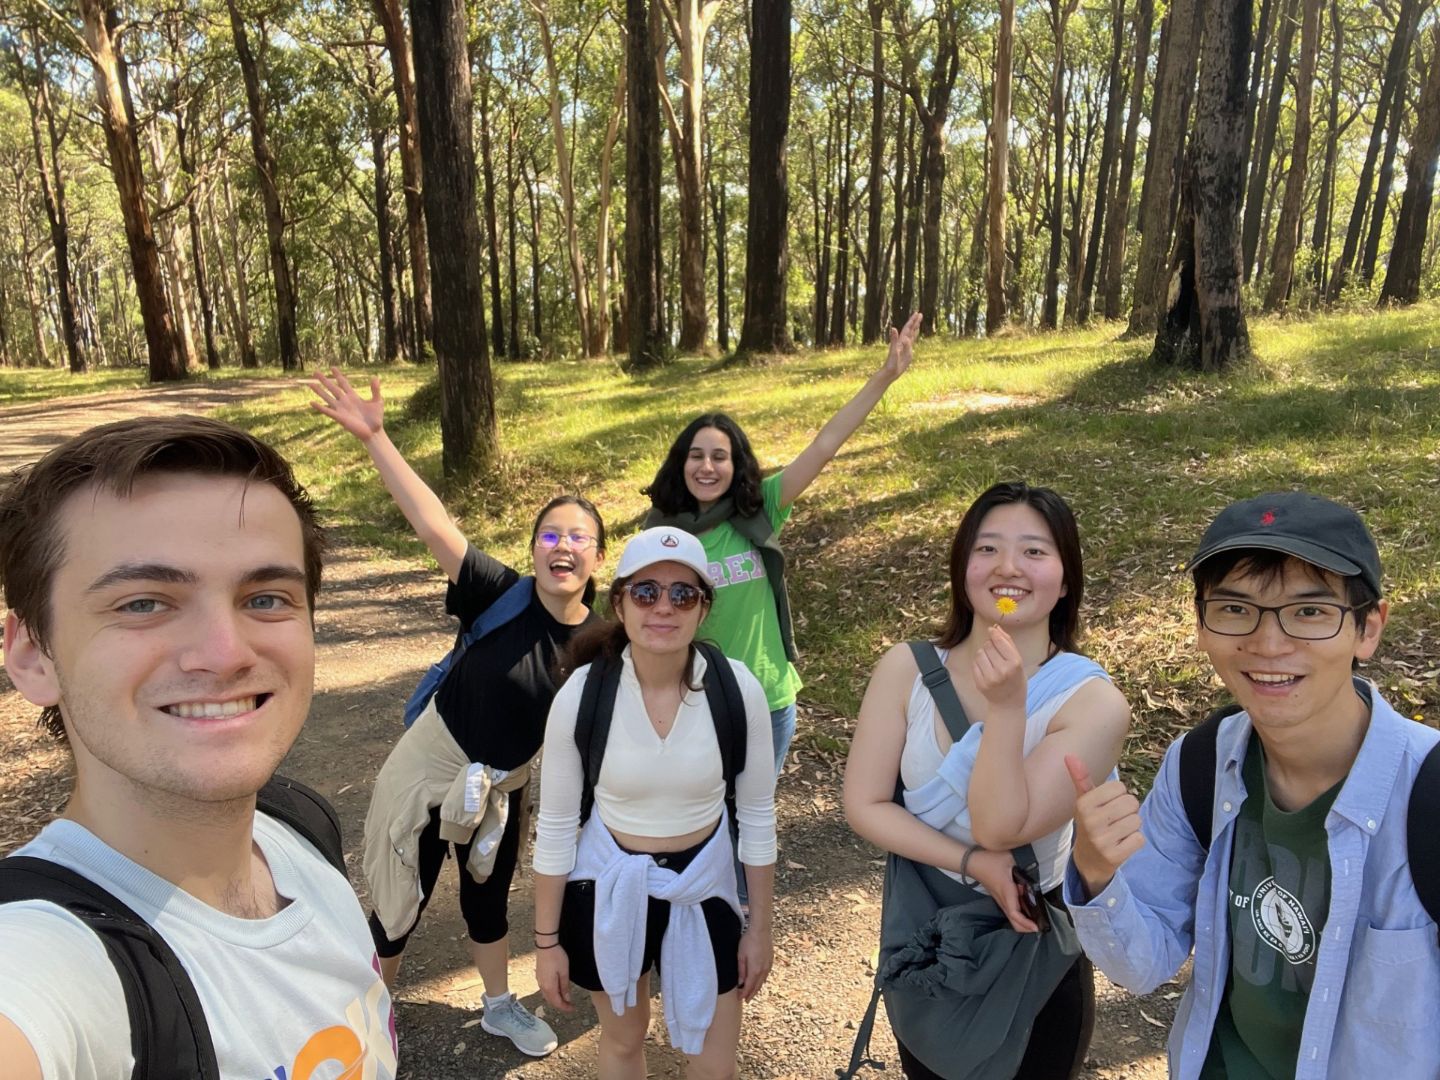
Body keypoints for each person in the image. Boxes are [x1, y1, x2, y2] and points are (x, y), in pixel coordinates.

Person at [0, 415, 397, 1079]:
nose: (225, 653)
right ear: (34, 656)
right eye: (143, 604)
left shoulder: (298, 826)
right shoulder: (50, 960)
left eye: (266, 598)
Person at [1064, 491, 1439, 1079]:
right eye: (1236, 609)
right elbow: (1143, 964)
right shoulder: (1200, 764)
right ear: (1202, 627)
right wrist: (1095, 872)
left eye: (1310, 611)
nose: (1268, 644)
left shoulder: (1429, 793)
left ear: (1368, 628)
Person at [309, 369, 605, 1058]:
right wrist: (376, 437)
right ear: (534, 549)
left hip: (503, 783)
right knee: (399, 890)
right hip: (430, 763)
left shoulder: (604, 639)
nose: (563, 546)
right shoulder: (495, 591)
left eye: (578, 537)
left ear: (597, 555)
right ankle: (376, 1007)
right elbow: (431, 519)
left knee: (487, 899)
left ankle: (498, 1006)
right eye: (551, 535)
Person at [844, 482, 1130, 1079]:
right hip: (927, 941)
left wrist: (1006, 711)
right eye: (987, 549)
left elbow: (1001, 826)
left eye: (1034, 551)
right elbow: (864, 804)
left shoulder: (1093, 701)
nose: (1008, 567)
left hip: (1030, 951)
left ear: (1065, 576)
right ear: (962, 566)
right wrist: (973, 863)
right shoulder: (907, 668)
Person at [532, 526, 777, 1080]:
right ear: (618, 603)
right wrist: (547, 942)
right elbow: (556, 827)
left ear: (703, 608)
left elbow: (758, 818)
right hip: (611, 882)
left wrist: (759, 927)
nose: (663, 607)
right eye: (646, 593)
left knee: (714, 1064)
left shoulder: (737, 690)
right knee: (623, 1040)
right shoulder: (583, 694)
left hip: (704, 882)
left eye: (682, 593)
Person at [643, 311, 923, 777]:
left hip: (769, 697)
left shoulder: (761, 507)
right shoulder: (661, 535)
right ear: (681, 464)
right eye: (696, 456)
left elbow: (826, 444)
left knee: (751, 823)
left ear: (736, 466)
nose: (707, 467)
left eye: (720, 456)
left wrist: (885, 377)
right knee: (701, 822)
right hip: (695, 698)